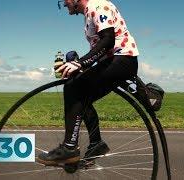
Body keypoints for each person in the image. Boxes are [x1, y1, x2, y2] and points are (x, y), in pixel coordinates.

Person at [37, 0, 139, 165]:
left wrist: (81, 63)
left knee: (73, 88)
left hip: (121, 60)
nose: (64, 4)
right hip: (114, 61)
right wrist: (81, 66)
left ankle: (70, 147)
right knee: (80, 96)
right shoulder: (90, 12)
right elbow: (101, 47)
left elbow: (108, 40)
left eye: (65, 0)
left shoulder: (97, 6)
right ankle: (96, 143)